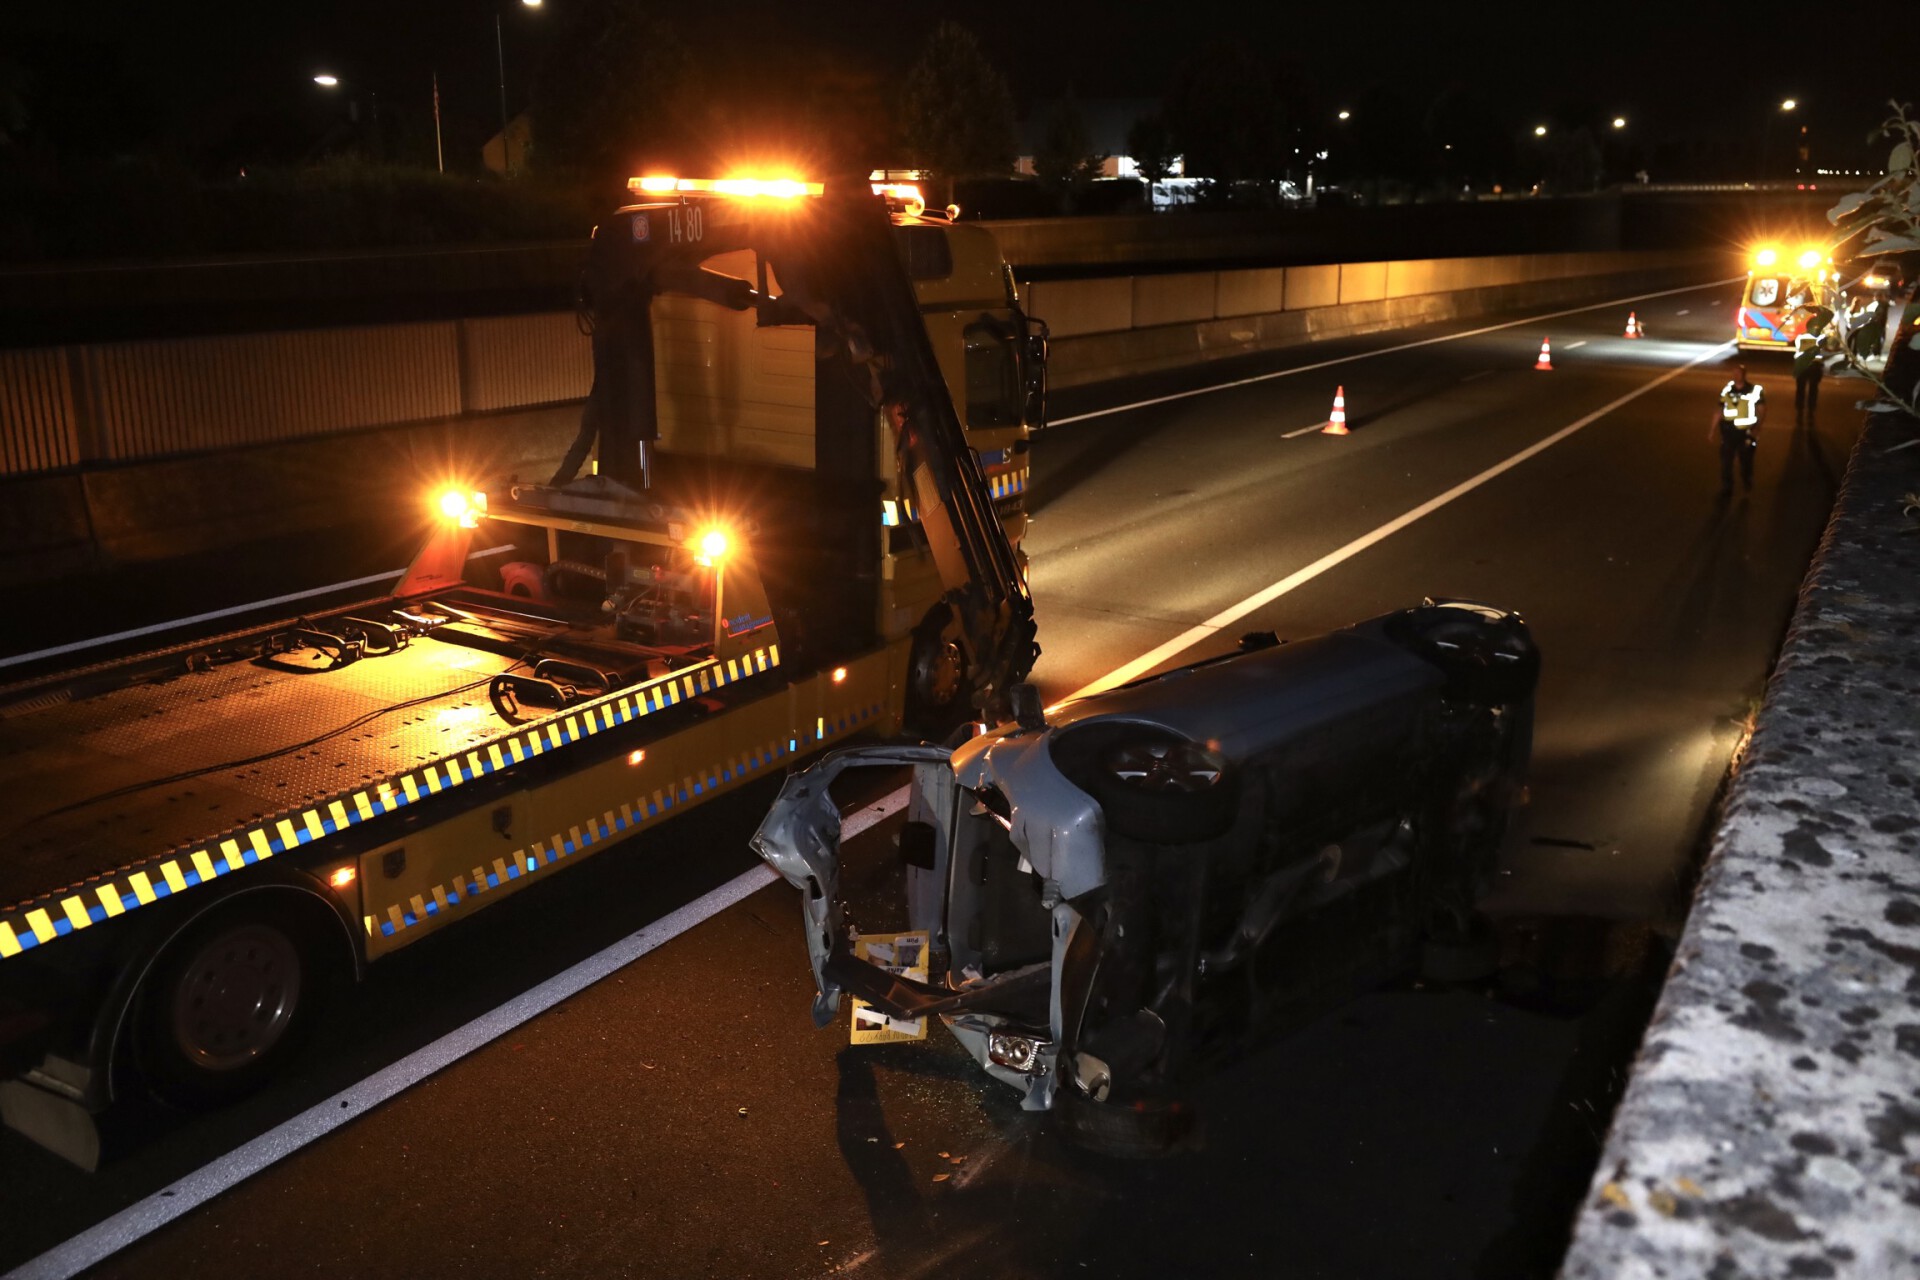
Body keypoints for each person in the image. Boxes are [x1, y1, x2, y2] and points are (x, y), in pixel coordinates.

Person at [1711, 364, 1765, 495]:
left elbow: (1762, 409)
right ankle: (1727, 486)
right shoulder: (1727, 390)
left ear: (1744, 375)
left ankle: (1747, 481)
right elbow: (1719, 410)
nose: (1735, 376)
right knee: (1726, 462)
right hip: (1728, 432)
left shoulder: (1754, 390)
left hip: (1746, 433)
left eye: (1738, 373)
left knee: (1746, 461)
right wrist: (1712, 430)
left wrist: (1758, 427)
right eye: (1733, 373)